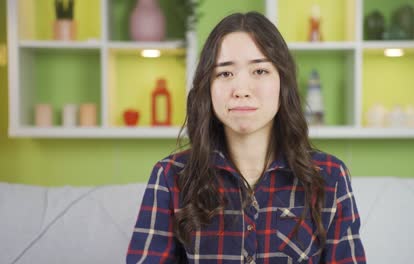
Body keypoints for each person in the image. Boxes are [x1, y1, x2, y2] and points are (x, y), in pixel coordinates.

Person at [127, 11, 366, 264]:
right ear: (207, 87)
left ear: (282, 83)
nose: (241, 90)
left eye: (260, 71)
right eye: (225, 74)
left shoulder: (329, 177)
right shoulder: (170, 176)